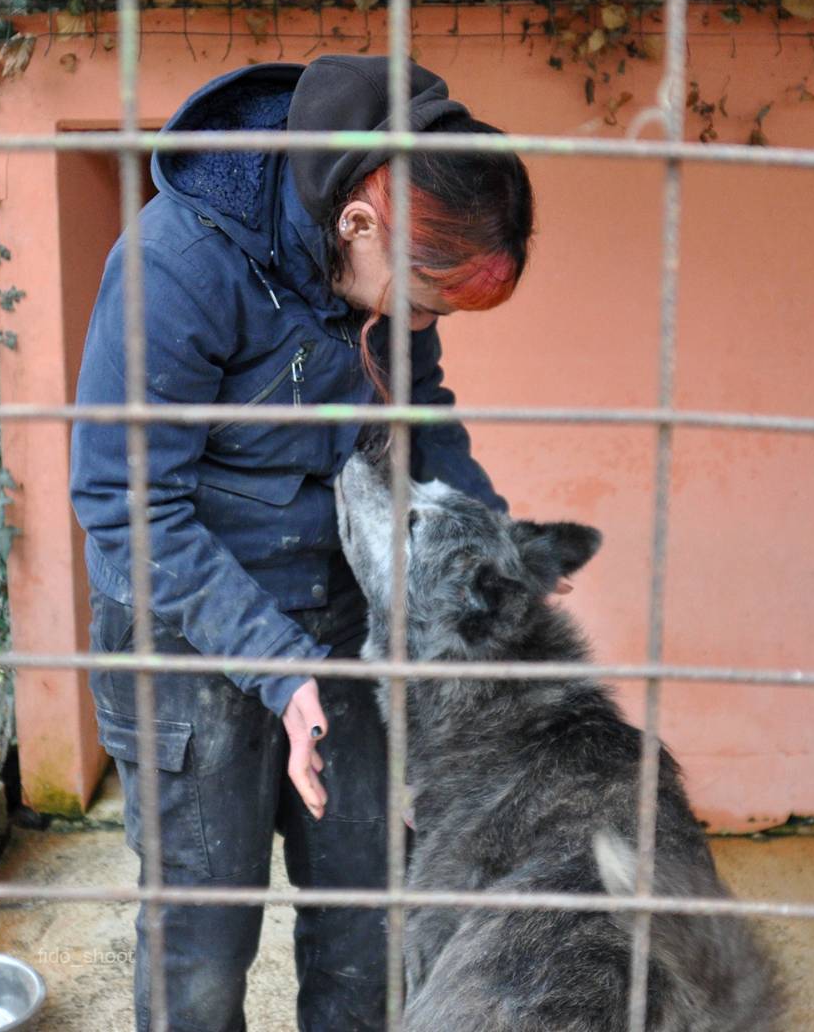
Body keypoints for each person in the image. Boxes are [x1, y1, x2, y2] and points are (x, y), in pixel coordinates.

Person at [69, 54, 534, 1032]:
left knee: (371, 927)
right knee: (203, 943)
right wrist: (281, 674)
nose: (419, 324)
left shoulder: (377, 266)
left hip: (339, 612)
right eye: (423, 300)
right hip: (186, 631)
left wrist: (488, 547)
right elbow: (125, 504)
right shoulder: (174, 264)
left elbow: (419, 419)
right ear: (358, 225)